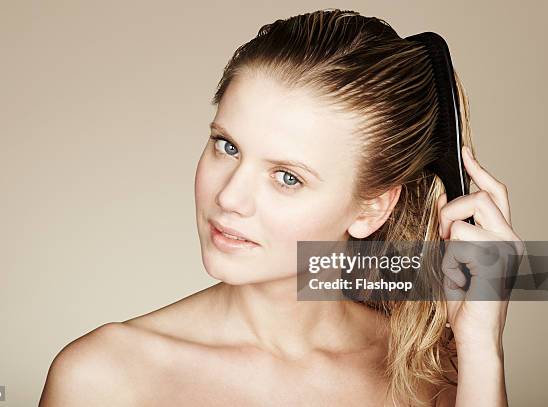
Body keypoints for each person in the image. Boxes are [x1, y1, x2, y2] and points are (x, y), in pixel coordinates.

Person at [39, 9, 522, 406]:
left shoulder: (432, 375)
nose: (228, 198)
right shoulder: (103, 377)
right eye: (226, 147)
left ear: (371, 209)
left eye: (287, 177)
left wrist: (482, 349)